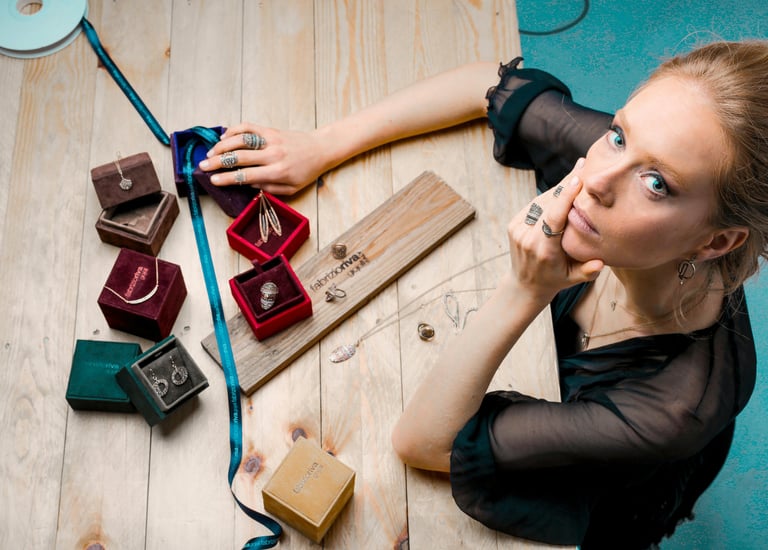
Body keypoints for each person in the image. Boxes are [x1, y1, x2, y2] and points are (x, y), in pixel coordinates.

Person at [201, 41, 767, 548]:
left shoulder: (673, 408)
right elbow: (485, 87)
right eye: (618, 134)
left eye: (656, 184)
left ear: (718, 240)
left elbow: (422, 443)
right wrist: (321, 145)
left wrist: (524, 288)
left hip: (616, 473)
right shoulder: (618, 163)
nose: (596, 178)